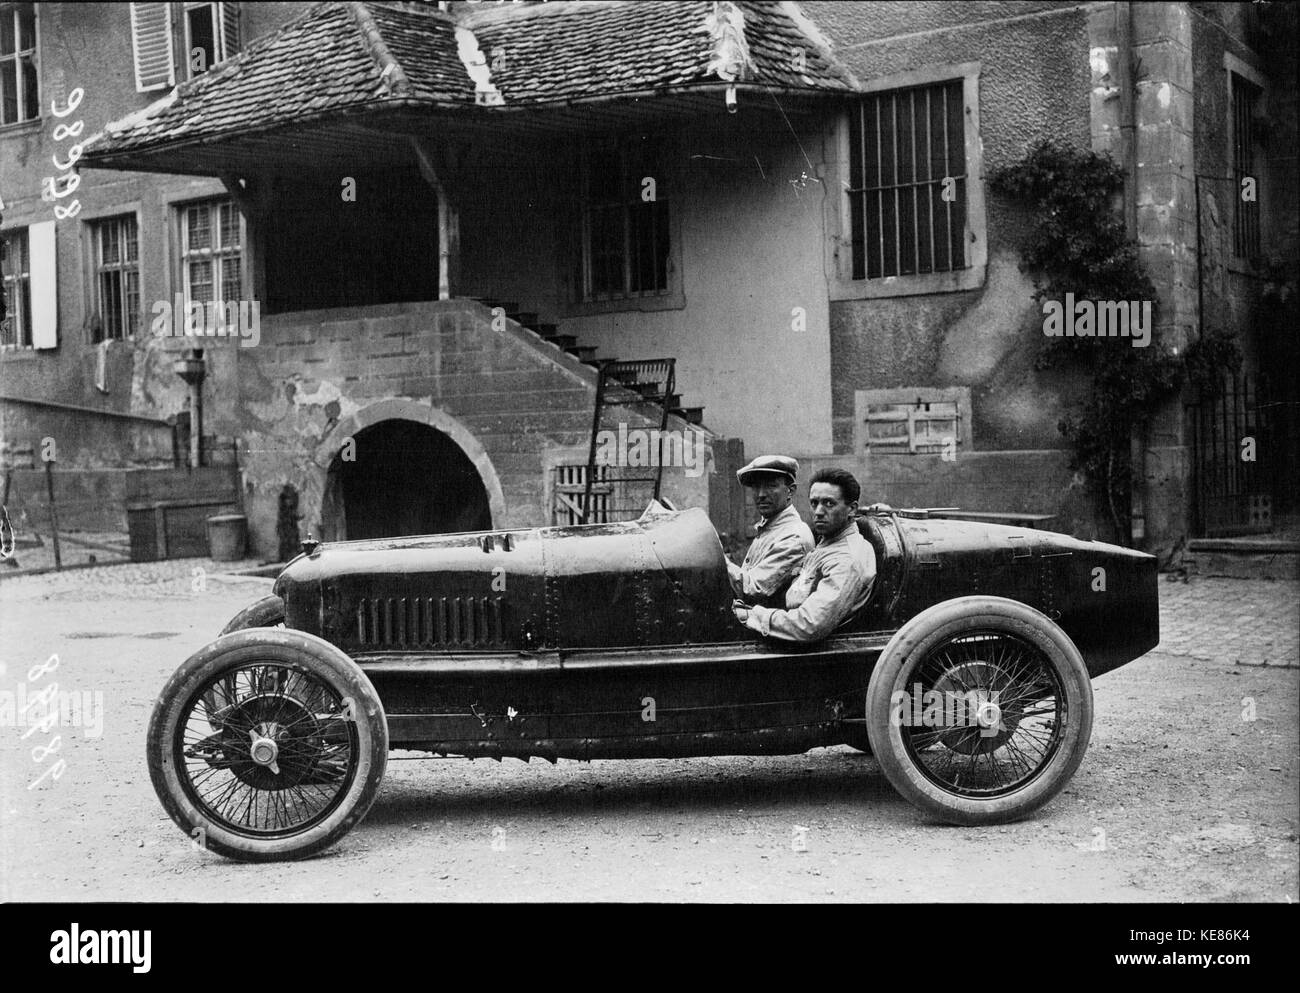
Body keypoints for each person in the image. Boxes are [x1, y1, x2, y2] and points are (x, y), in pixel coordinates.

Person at [732, 467, 875, 642]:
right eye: (814, 503)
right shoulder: (828, 544)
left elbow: (808, 625)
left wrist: (751, 616)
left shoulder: (847, 558)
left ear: (852, 509)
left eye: (829, 503)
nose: (819, 512)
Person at [727, 455, 814, 607]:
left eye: (771, 486)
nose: (761, 494)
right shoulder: (771, 527)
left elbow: (751, 590)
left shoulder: (793, 537)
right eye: (756, 487)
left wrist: (717, 560)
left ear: (790, 491)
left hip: (768, 628)